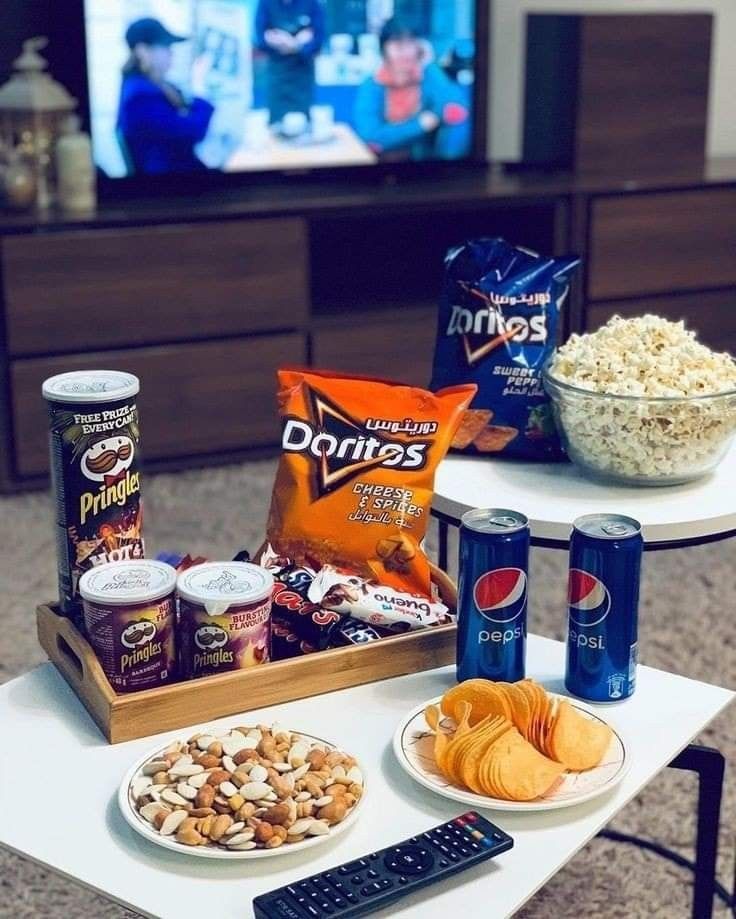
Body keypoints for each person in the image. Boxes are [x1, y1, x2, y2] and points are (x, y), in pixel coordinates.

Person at [353, 19, 471, 161]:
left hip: (426, 168)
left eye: (411, 43)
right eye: (398, 45)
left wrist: (429, 64)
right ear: (384, 49)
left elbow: (457, 109)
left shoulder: (428, 76)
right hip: (379, 168)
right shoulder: (372, 85)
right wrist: (420, 124)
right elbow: (372, 139)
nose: (406, 52)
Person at [117, 17, 214, 175]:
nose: (171, 52)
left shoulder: (149, 86)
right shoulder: (141, 96)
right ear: (143, 50)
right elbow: (193, 131)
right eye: (165, 46)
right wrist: (199, 88)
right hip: (171, 186)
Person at [255, 0, 325, 124]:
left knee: (302, 123)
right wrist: (281, 42)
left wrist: (296, 46)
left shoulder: (312, 3)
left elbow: (319, 39)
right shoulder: (266, 3)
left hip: (303, 70)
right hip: (277, 72)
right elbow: (261, 38)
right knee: (277, 124)